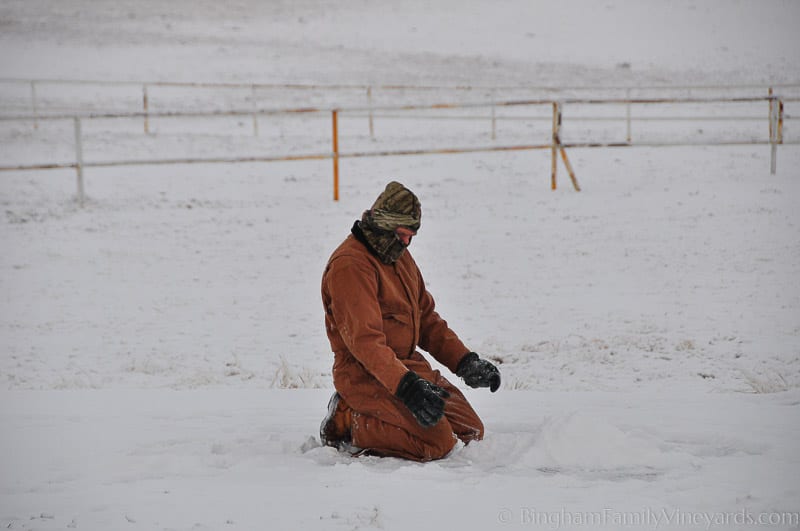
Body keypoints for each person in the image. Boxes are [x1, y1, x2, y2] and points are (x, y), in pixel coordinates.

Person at [319, 181, 501, 462]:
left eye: (411, 236)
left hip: (406, 366)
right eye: (402, 234)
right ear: (384, 225)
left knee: (470, 431)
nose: (406, 243)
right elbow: (366, 344)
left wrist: (465, 361)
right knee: (436, 443)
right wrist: (407, 387)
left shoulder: (398, 256)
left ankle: (386, 415)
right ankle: (348, 420)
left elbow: (426, 319)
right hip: (365, 374)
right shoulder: (351, 266)